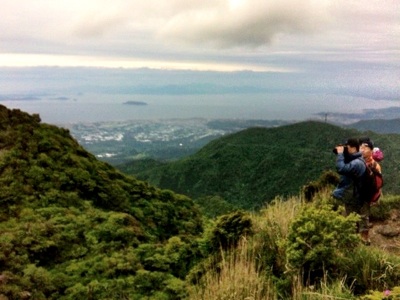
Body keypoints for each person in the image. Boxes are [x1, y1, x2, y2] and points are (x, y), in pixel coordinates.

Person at [332, 138, 370, 245]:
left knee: (352, 218)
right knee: (355, 216)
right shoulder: (356, 159)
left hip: (354, 195)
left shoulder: (357, 162)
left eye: (347, 147)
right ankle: (356, 238)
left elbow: (341, 169)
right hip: (353, 193)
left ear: (353, 148)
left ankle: (354, 241)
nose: (345, 149)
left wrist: (340, 155)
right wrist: (342, 153)